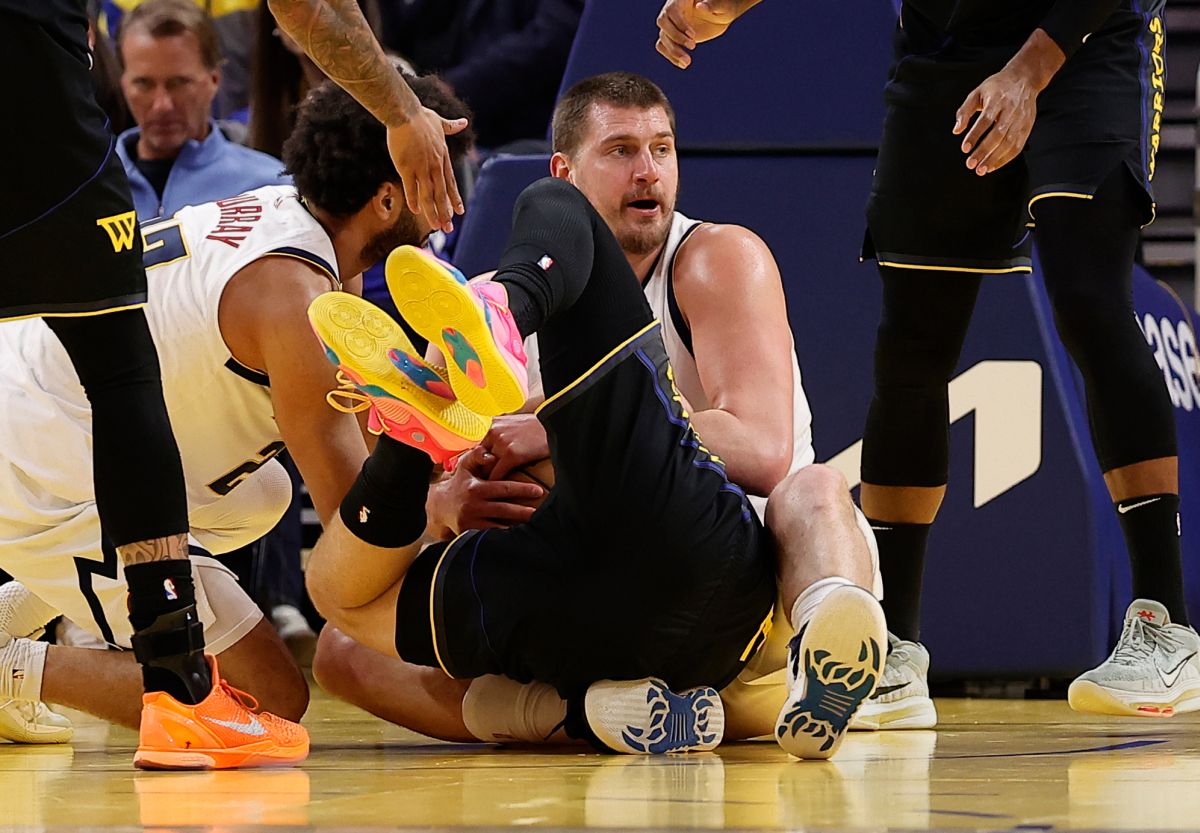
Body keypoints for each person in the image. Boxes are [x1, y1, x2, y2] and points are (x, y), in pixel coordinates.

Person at [655, 0, 1198, 724]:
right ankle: (898, 647)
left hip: (1086, 31)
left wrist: (1028, 75)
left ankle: (1166, 625)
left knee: (1088, 298)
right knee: (912, 342)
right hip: (946, 43)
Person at [303, 145, 887, 758]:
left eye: (662, 149)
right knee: (341, 650)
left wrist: (548, 425)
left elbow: (765, 452)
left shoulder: (715, 256)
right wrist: (445, 500)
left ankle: (589, 710)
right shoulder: (463, 305)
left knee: (812, 485)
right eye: (620, 151)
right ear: (568, 166)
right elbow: (440, 517)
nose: (648, 170)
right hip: (623, 599)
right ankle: (631, 702)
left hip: (754, 585)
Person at [0, 74, 472, 767]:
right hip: (41, 459)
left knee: (263, 494)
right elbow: (354, 535)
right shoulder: (297, 302)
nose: (449, 210)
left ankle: (24, 601)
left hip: (50, 400)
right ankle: (15, 670)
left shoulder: (286, 214)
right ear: (387, 197)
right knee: (268, 694)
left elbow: (365, 443)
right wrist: (443, 502)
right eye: (440, 182)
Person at [115, 0, 289, 220]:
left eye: (179, 83)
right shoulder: (92, 188)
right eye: (144, 84)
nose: (162, 105)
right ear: (123, 83)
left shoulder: (269, 190)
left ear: (214, 79)